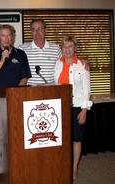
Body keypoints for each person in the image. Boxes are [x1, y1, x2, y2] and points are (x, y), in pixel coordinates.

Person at [0, 24, 31, 183]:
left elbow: (24, 78)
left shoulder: (21, 54)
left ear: (13, 36)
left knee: (18, 135)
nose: (7, 38)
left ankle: (17, 166)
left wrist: (16, 96)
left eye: (9, 35)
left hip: (17, 101)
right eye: (3, 36)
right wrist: (2, 60)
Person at [54, 36, 92, 180]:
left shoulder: (82, 65)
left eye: (70, 46)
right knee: (62, 139)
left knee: (76, 139)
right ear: (61, 49)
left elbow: (87, 89)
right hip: (61, 107)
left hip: (77, 107)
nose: (67, 50)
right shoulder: (58, 63)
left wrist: (84, 110)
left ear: (74, 47)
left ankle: (74, 167)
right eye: (64, 47)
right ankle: (64, 164)